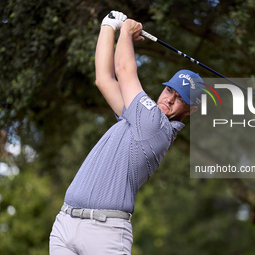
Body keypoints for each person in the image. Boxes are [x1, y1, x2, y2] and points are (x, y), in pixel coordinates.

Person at [49, 11, 205, 255]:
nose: (170, 99)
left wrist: (127, 31)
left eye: (180, 99)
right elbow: (104, 78)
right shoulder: (135, 115)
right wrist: (108, 25)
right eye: (169, 91)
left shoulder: (156, 126)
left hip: (105, 233)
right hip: (66, 223)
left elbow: (123, 69)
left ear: (190, 110)